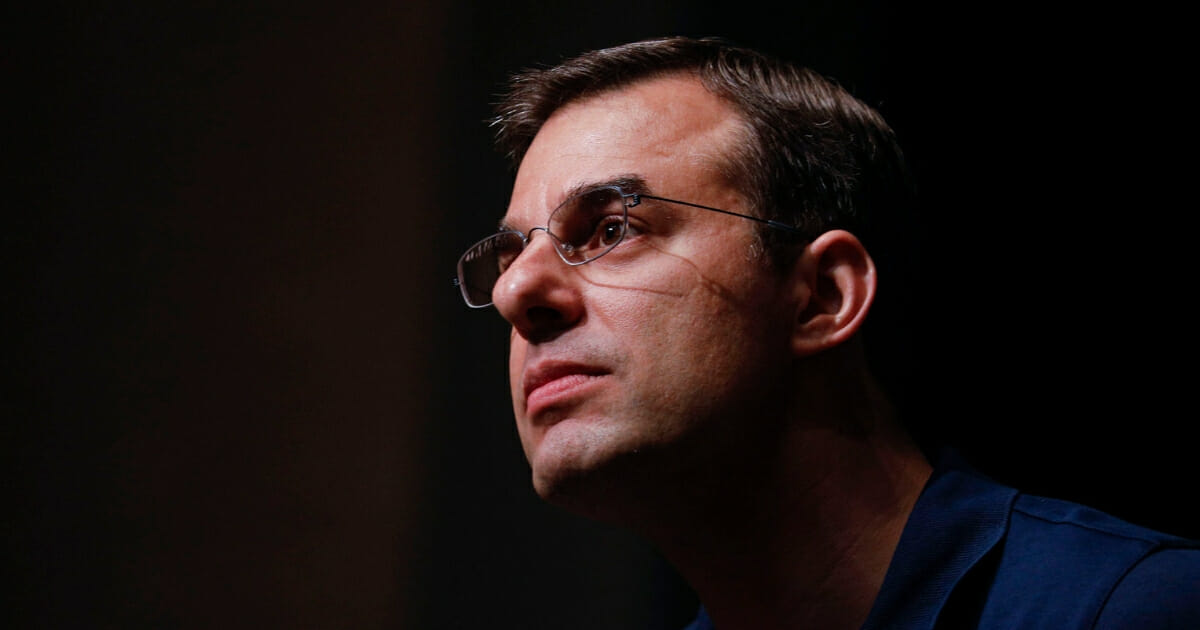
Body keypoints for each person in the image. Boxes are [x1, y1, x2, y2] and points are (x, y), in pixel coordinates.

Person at [453, 36, 1200, 629]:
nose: (518, 292)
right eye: (515, 257)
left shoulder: (1134, 608)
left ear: (824, 296)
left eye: (612, 229)